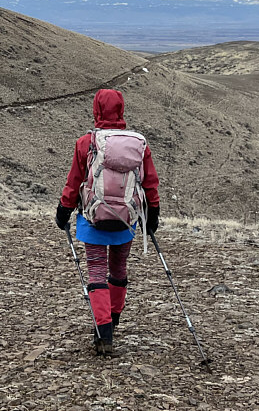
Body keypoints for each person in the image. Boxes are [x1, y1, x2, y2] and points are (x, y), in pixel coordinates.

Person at [54, 88, 160, 356]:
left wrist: (63, 210)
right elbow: (149, 182)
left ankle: (103, 333)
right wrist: (153, 213)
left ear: (96, 110)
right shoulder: (139, 143)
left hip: (93, 217)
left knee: (97, 272)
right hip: (127, 220)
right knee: (119, 269)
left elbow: (74, 181)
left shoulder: (86, 143)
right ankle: (113, 318)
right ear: (122, 109)